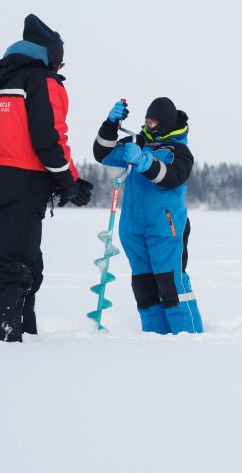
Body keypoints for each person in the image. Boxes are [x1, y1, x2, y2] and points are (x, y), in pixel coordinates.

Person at [0, 13, 93, 342]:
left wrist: (61, 183)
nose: (61, 66)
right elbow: (50, 138)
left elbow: (15, 140)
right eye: (60, 58)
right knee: (14, 267)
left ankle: (25, 334)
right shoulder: (41, 81)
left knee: (27, 264)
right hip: (21, 182)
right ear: (50, 54)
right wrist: (69, 181)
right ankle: (2, 347)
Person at [93, 96, 203, 334]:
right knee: (145, 288)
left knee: (170, 285)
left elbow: (172, 178)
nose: (148, 126)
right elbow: (102, 153)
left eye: (153, 122)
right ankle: (154, 340)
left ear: (164, 124)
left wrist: (144, 162)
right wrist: (110, 124)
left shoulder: (179, 150)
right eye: (146, 120)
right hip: (133, 228)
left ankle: (189, 337)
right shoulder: (136, 142)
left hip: (165, 228)